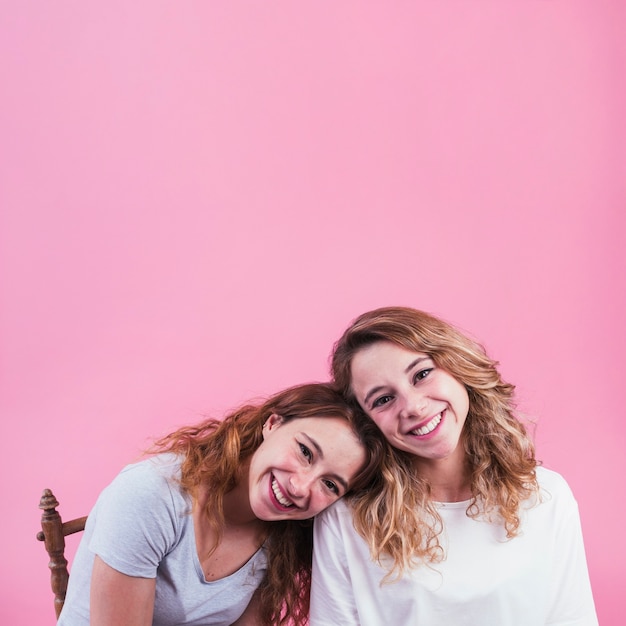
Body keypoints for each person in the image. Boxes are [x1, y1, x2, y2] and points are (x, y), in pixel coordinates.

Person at [310, 306, 598, 626]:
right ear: (367, 424)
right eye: (383, 400)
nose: (414, 407)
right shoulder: (345, 519)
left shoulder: (546, 496)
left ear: (457, 367)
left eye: (421, 374)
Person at [58, 382, 385, 626]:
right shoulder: (152, 494)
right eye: (304, 452)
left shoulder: (285, 537)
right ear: (273, 424)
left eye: (330, 484)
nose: (300, 487)